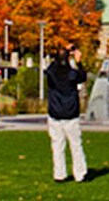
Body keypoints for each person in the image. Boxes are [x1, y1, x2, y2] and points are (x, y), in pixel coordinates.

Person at [45, 47, 90, 184]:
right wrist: (78, 61)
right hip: (70, 112)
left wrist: (59, 54)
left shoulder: (52, 73)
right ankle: (80, 173)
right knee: (76, 145)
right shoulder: (72, 74)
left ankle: (59, 174)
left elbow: (49, 69)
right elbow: (83, 76)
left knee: (57, 145)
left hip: (55, 112)